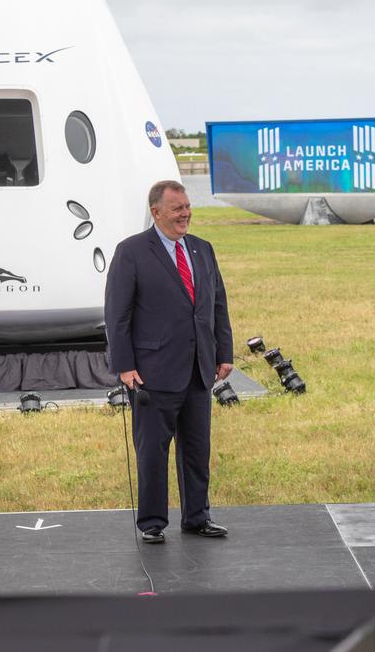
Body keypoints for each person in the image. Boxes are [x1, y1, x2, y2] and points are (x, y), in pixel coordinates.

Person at [105, 180, 234, 543]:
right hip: (151, 374)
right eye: (178, 208)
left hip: (197, 371)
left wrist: (224, 352)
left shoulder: (202, 250)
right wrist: (124, 366)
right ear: (156, 211)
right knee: (152, 454)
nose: (186, 213)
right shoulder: (131, 251)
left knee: (197, 451)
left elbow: (217, 305)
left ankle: (197, 517)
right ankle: (152, 523)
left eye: (188, 206)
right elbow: (117, 314)